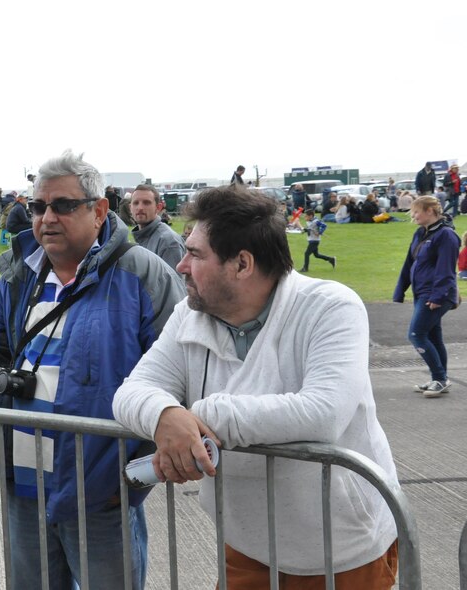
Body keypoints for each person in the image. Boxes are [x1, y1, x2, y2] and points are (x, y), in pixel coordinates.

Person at [0, 150, 185, 590]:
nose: (46, 218)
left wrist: (135, 477)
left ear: (99, 211)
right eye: (38, 207)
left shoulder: (143, 274)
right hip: (24, 488)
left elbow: (178, 375)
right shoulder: (19, 275)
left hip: (101, 493)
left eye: (62, 205)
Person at [112, 185, 400, 589]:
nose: (180, 266)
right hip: (247, 545)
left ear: (242, 264)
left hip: (341, 550)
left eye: (195, 254)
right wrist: (165, 416)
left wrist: (200, 418)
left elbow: (323, 412)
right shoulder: (190, 314)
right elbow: (131, 391)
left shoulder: (331, 306)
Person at [393, 196, 460, 397]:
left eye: (416, 211)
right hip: (422, 292)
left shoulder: (446, 236)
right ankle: (439, 379)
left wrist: (438, 296)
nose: (413, 215)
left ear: (430, 211)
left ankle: (439, 378)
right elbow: (409, 264)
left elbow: (446, 270)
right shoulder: (420, 233)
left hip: (437, 294)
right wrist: (400, 290)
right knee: (432, 336)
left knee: (416, 334)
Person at [130, 183, 186, 269]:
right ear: (130, 208)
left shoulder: (169, 242)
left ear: (158, 207)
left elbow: (174, 281)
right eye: (136, 203)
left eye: (146, 203)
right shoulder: (140, 237)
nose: (140, 207)